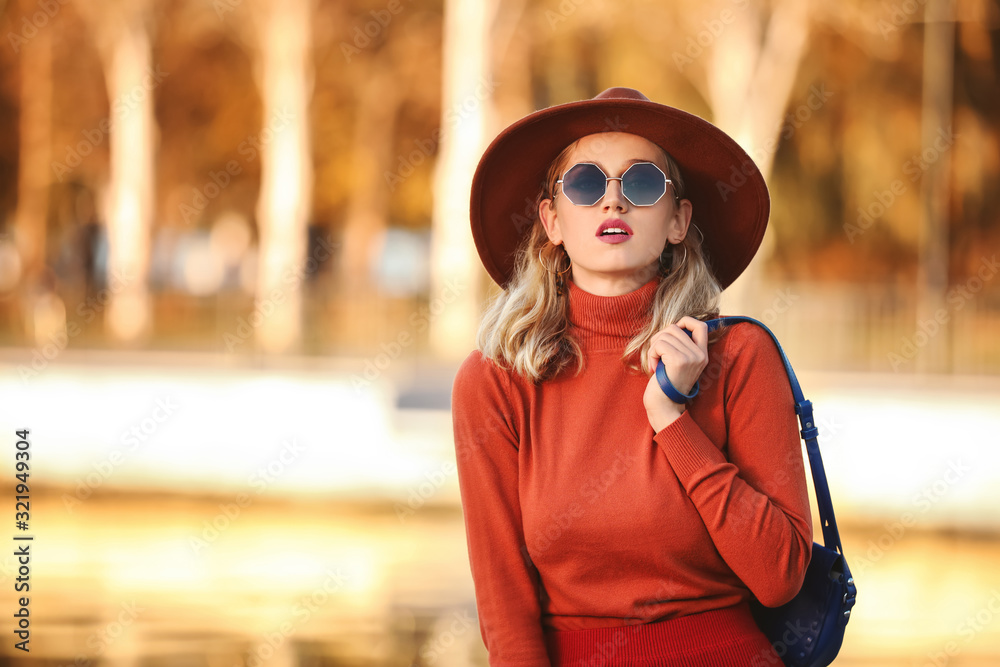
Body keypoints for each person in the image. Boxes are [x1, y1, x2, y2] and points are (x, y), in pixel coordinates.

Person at [451, 87, 813, 667]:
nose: (613, 200)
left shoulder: (741, 355)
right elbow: (505, 607)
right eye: (585, 184)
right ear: (552, 220)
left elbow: (781, 577)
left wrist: (672, 419)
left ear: (677, 220)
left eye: (641, 183)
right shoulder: (496, 380)